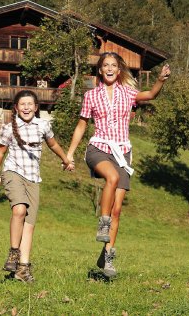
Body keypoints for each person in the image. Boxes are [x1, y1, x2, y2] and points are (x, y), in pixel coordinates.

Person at [66, 52, 170, 278]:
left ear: (119, 70)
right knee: (111, 178)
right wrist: (70, 154)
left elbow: (151, 94)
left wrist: (160, 79)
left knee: (118, 210)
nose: (110, 68)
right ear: (100, 71)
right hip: (99, 148)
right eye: (106, 65)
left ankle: (107, 256)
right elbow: (82, 126)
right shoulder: (91, 96)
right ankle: (103, 224)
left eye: (114, 65)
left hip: (123, 152)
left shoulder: (128, 93)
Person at [0, 90, 74, 283]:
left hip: (33, 178)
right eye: (22, 104)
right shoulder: (8, 128)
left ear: (36, 108)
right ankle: (13, 253)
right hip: (13, 173)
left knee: (29, 224)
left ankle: (23, 269)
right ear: (16, 108)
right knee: (19, 210)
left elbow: (53, 145)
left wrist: (65, 160)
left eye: (30, 104)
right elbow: (0, 153)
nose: (26, 107)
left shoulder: (43, 125)